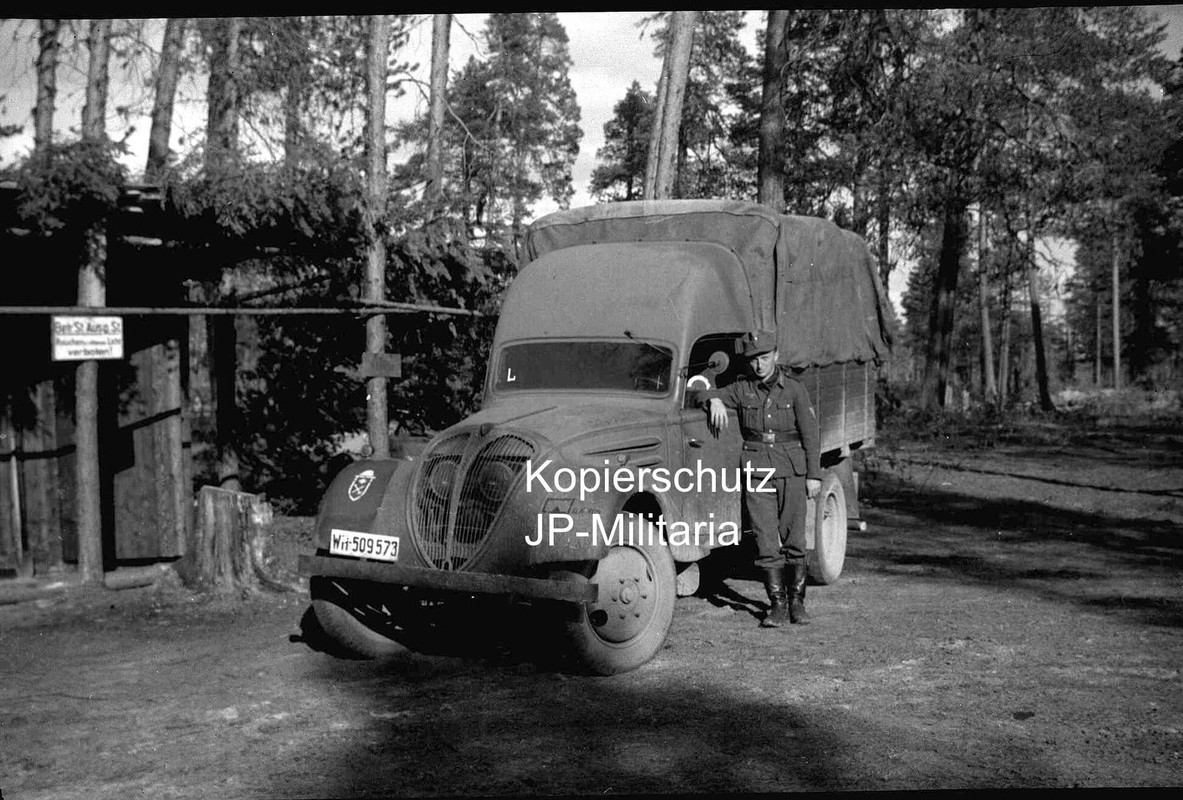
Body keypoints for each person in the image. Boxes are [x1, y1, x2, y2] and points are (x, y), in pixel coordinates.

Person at [702, 329, 821, 628]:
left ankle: (798, 603)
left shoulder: (794, 389)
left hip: (792, 469)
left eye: (764, 358)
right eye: (753, 359)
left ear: (776, 356)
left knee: (795, 539)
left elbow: (811, 433)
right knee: (766, 541)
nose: (758, 365)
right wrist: (713, 400)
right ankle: (777, 606)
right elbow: (701, 389)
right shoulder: (742, 390)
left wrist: (814, 475)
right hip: (757, 471)